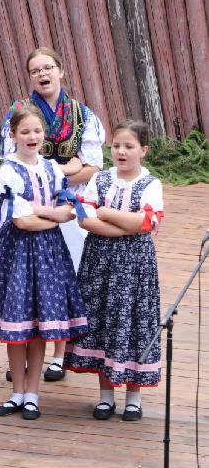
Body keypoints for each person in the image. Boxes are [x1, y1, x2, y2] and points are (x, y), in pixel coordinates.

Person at [0, 47, 104, 381]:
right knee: (26, 281)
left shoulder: (82, 113)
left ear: (61, 70)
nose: (42, 75)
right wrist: (67, 166)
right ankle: (24, 351)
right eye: (35, 70)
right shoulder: (19, 113)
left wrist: (58, 173)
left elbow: (94, 166)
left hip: (66, 202)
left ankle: (58, 355)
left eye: (48, 68)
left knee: (64, 275)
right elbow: (9, 158)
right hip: (29, 202)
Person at [0, 107, 88, 420]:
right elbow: (22, 222)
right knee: (18, 323)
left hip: (47, 254)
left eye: (37, 131)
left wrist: (46, 213)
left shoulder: (53, 169)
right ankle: (16, 391)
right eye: (25, 132)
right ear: (13, 136)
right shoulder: (8, 171)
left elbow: (71, 208)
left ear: (44, 135)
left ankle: (32, 394)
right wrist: (53, 216)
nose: (32, 137)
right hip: (17, 254)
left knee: (40, 325)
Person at [64, 120, 164, 421]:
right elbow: (83, 217)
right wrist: (121, 227)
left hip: (135, 269)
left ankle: (134, 397)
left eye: (129, 146)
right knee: (104, 321)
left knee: (134, 323)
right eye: (117, 145)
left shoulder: (151, 184)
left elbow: (144, 223)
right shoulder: (101, 179)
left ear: (143, 150)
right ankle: (106, 396)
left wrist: (106, 214)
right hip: (100, 264)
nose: (121, 151)